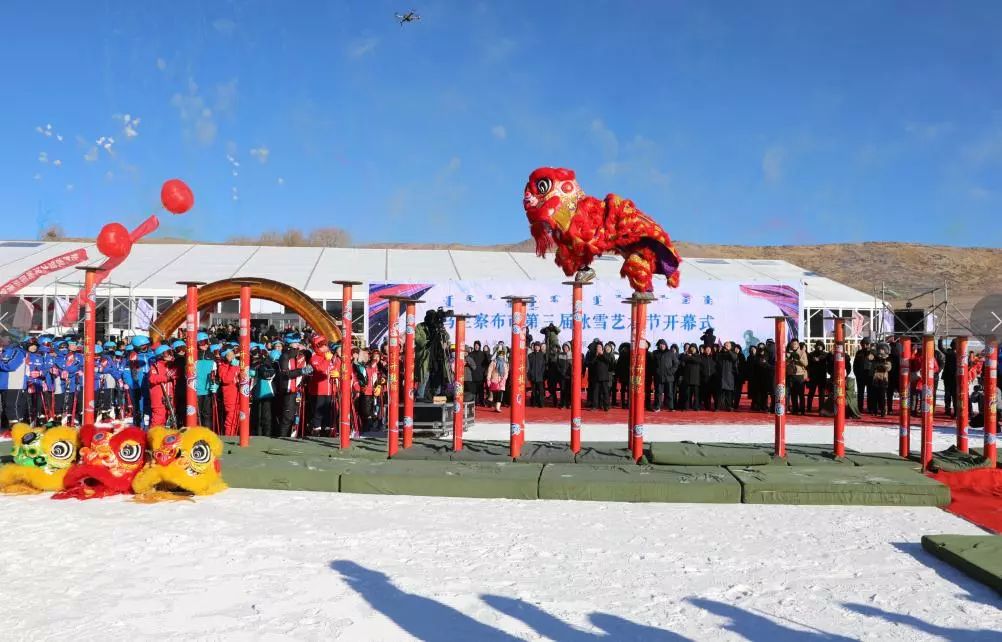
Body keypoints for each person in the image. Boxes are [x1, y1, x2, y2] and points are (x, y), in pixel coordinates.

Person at [308, 335, 337, 435]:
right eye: (323, 346)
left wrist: (337, 374)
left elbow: (332, 369)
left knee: (328, 412)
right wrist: (327, 360)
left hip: (329, 390)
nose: (326, 347)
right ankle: (316, 430)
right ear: (317, 347)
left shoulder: (329, 357)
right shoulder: (314, 358)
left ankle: (327, 429)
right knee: (318, 412)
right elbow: (320, 369)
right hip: (318, 390)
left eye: (326, 345)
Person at [0, 331, 27, 429]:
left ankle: (17, 430)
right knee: (5, 408)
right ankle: (6, 430)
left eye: (4, 337)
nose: (2, 339)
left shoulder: (17, 351)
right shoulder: (4, 351)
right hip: (4, 384)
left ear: (11, 339)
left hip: (14, 384)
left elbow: (10, 366)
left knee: (12, 407)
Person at [148, 345, 178, 427]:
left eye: (170, 352)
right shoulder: (155, 366)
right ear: (160, 355)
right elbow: (152, 378)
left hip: (171, 396)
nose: (169, 355)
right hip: (159, 398)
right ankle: (155, 437)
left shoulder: (173, 365)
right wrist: (166, 378)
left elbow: (177, 376)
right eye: (166, 353)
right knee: (158, 419)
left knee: (171, 417)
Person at [651, 339, 678, 412]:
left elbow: (676, 363)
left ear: (666, 345)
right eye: (660, 344)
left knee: (669, 392)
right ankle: (658, 406)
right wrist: (655, 372)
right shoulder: (655, 353)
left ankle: (671, 407)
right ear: (658, 346)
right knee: (658, 392)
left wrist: (671, 371)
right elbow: (652, 365)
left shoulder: (670, 353)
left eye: (663, 344)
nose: (662, 346)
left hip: (668, 376)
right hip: (659, 376)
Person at [853, 338, 875, 414]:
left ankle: (870, 408)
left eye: (866, 344)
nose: (864, 346)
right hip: (860, 376)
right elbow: (855, 365)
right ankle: (860, 408)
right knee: (860, 393)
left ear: (869, 344)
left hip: (870, 376)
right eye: (862, 344)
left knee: (871, 393)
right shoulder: (859, 353)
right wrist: (857, 374)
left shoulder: (873, 352)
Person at [590, 342, 614, 411]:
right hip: (596, 377)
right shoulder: (594, 355)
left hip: (604, 377)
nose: (599, 348)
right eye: (598, 347)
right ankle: (595, 406)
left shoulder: (606, 354)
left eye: (600, 347)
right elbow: (591, 364)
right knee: (595, 392)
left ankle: (606, 406)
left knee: (605, 392)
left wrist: (602, 354)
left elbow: (608, 361)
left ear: (602, 348)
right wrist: (596, 356)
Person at [806, 341, 829, 413]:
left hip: (822, 376)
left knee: (822, 393)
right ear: (815, 346)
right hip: (813, 376)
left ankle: (821, 408)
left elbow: (827, 360)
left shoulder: (826, 354)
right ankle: (809, 407)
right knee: (811, 392)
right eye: (818, 345)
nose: (819, 347)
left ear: (823, 347)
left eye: (821, 345)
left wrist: (819, 358)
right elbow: (808, 365)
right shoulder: (811, 354)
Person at [786, 339, 808, 416]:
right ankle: (795, 409)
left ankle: (802, 410)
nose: (794, 345)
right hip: (791, 375)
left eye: (795, 344)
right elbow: (785, 363)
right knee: (793, 393)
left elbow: (806, 364)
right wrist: (789, 359)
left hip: (799, 375)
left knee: (801, 394)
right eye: (793, 344)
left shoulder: (802, 352)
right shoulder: (788, 353)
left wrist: (798, 359)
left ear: (798, 344)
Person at [486, 344, 509, 413]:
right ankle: (495, 405)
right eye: (499, 354)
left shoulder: (505, 363)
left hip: (501, 382)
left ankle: (497, 407)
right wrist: (488, 379)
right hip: (494, 381)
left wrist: (504, 379)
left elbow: (506, 372)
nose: (500, 356)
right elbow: (489, 371)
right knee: (495, 395)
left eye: (502, 355)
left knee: (500, 395)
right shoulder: (493, 362)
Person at [716, 342, 738, 412]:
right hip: (721, 376)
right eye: (725, 345)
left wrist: (729, 351)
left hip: (729, 376)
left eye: (728, 346)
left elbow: (734, 358)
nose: (726, 347)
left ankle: (729, 406)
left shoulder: (733, 353)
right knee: (720, 393)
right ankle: (718, 407)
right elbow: (716, 360)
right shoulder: (720, 354)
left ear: (730, 347)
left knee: (729, 393)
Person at [872, 345, 892, 417]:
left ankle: (883, 411)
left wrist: (881, 366)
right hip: (876, 378)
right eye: (880, 349)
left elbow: (888, 367)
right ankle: (875, 410)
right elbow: (873, 365)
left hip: (883, 379)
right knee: (875, 396)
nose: (881, 351)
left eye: (882, 349)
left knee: (882, 396)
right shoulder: (876, 358)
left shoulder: (887, 358)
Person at [527, 342, 546, 408]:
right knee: (534, 391)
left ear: (540, 347)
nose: (536, 347)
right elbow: (528, 366)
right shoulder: (530, 355)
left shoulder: (542, 355)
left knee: (541, 391)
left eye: (538, 346)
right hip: (533, 376)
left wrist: (542, 373)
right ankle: (534, 403)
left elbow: (544, 366)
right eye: (535, 346)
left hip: (540, 376)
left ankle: (541, 404)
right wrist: (530, 374)